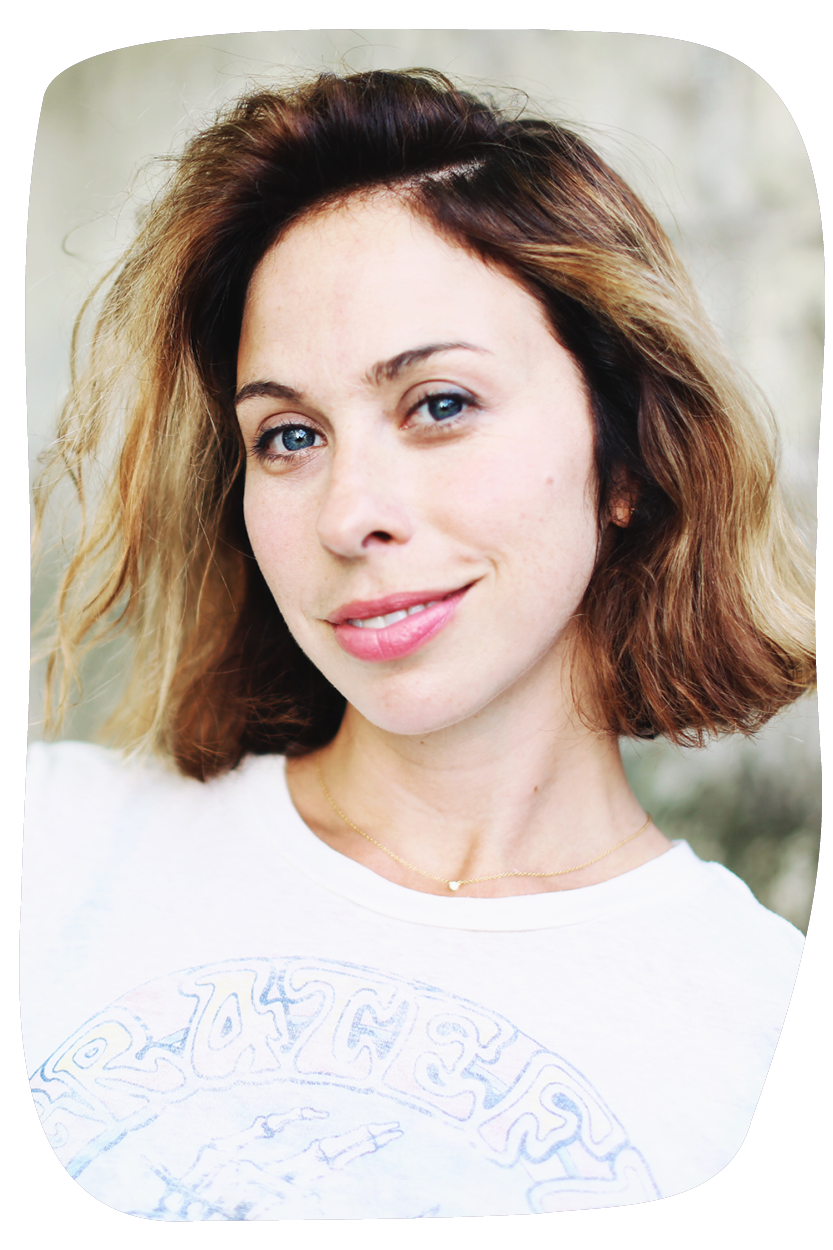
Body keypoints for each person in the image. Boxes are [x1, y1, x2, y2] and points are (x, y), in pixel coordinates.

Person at [23, 68, 815, 1220]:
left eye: (438, 404)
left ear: (626, 458)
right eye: (288, 435)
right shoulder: (56, 842)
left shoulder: (768, 1032)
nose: (349, 514)